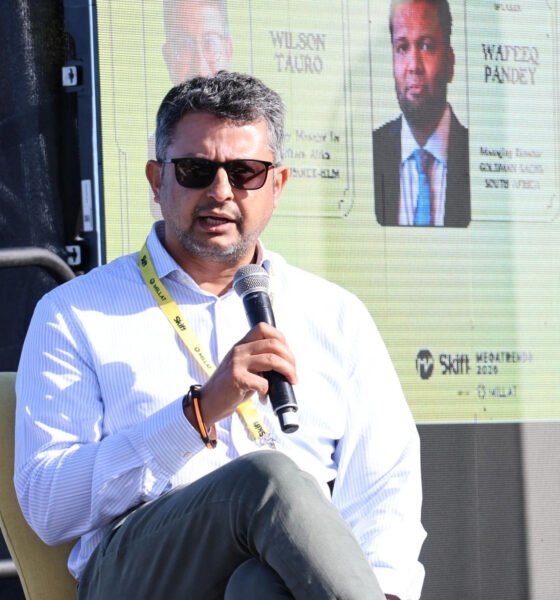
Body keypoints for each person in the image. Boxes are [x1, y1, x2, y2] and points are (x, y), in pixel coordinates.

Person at [15, 71, 425, 599]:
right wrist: (198, 414)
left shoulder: (336, 315)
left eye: (245, 172)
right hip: (138, 576)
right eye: (196, 170)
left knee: (261, 584)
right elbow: (48, 504)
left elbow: (386, 486)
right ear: (156, 180)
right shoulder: (72, 313)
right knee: (267, 479)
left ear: (277, 185)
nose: (221, 192)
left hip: (291, 576)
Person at [373, 0, 470, 227]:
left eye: (426, 46)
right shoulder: (373, 151)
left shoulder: (474, 152)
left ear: (450, 63)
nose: (413, 65)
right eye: (402, 48)